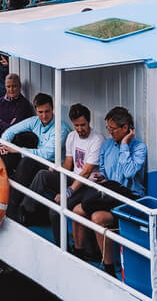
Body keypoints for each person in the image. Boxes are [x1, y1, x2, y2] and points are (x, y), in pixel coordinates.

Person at [74, 107, 147, 276]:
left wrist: (124, 145)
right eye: (108, 128)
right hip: (110, 195)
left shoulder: (139, 148)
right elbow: (105, 172)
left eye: (113, 129)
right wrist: (102, 177)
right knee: (77, 210)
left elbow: (129, 172)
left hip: (130, 199)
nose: (110, 132)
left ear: (125, 128)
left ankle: (109, 268)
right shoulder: (107, 145)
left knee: (97, 218)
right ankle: (78, 253)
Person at [25, 104, 104, 254]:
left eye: (83, 125)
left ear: (89, 122)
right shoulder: (72, 136)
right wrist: (57, 169)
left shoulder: (97, 140)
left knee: (55, 211)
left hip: (87, 185)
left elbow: (86, 172)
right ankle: (27, 210)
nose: (80, 129)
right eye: (76, 125)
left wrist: (67, 192)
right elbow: (69, 162)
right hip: (73, 178)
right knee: (43, 175)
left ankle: (64, 250)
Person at [0, 93, 64, 221]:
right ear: (36, 110)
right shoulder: (35, 121)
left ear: (52, 109)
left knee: (27, 161)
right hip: (36, 158)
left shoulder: (60, 128)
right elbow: (10, 131)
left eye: (47, 111)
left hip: (52, 166)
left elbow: (47, 154)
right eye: (40, 112)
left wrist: (18, 150)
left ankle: (11, 206)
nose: (44, 116)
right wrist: (4, 146)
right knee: (11, 151)